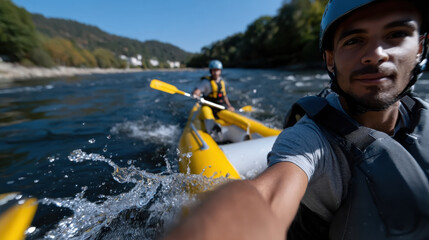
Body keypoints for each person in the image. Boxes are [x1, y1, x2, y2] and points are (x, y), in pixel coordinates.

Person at [162, 0, 429, 239]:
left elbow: (226, 99)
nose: (377, 53)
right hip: (210, 109)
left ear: (419, 48)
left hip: (223, 107)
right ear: (330, 59)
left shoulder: (423, 114)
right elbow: (266, 196)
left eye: (396, 35)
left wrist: (230, 107)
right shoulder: (307, 140)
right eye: (354, 40)